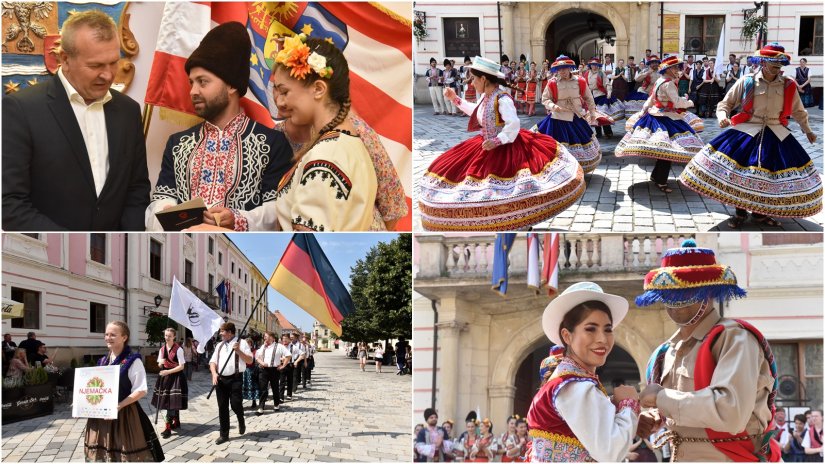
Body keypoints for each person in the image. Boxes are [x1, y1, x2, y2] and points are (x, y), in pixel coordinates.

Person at [2, 10, 150, 231]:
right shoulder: (21, 109)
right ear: (65, 60)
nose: (109, 75)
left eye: (113, 63)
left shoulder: (129, 111)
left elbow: (136, 190)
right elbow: (9, 204)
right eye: (96, 66)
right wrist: (71, 245)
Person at [636, 239, 780, 461]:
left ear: (710, 292)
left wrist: (661, 398)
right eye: (670, 293)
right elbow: (672, 409)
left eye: (687, 293)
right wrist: (654, 417)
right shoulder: (664, 352)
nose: (676, 303)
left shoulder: (734, 338)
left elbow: (730, 412)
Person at [146, 22, 291, 231]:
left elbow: (279, 208)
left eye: (203, 82)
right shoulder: (178, 144)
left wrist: (238, 219)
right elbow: (160, 199)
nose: (193, 91)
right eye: (191, 83)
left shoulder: (271, 143)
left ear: (231, 85)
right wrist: (173, 214)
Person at [419, 56, 585, 231]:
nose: (472, 83)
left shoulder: (502, 99)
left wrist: (497, 141)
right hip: (486, 143)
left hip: (506, 146)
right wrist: (455, 99)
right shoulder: (486, 96)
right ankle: (497, 223)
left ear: (483, 79)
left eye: (474, 79)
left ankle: (518, 221)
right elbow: (477, 113)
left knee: (514, 188)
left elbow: (513, 125)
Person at [680, 43, 822, 228]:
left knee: (768, 177)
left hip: (776, 133)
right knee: (738, 173)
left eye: (780, 63)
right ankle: (739, 212)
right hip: (747, 130)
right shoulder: (747, 81)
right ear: (763, 62)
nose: (778, 66)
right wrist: (723, 117)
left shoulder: (788, 85)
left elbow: (799, 111)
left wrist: (808, 130)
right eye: (773, 62)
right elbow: (726, 104)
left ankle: (760, 214)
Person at [269, 35, 380, 231]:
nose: (279, 102)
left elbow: (307, 237)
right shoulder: (346, 144)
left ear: (318, 89)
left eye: (285, 92)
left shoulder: (326, 156)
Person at [527, 281, 640, 462]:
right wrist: (628, 404)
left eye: (608, 329)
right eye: (590, 329)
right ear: (567, 336)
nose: (602, 339)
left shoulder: (569, 382)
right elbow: (611, 452)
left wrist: (629, 416)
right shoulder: (574, 385)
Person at [615, 55, 704, 193]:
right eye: (674, 68)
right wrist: (690, 102)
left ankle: (657, 176)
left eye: (677, 68)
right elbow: (676, 102)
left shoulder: (660, 81)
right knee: (668, 151)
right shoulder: (668, 83)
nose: (677, 70)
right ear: (668, 69)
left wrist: (644, 110)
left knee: (665, 150)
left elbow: (651, 98)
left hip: (656, 115)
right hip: (666, 117)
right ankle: (661, 180)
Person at [84, 322, 164, 461]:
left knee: (125, 453)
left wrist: (119, 406)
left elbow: (141, 390)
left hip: (125, 414)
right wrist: (83, 402)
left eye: (113, 335)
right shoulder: (102, 361)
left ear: (124, 337)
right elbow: (96, 388)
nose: (108, 337)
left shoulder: (133, 361)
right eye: (107, 334)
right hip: (101, 416)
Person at [531, 55, 602, 174]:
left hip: (576, 116)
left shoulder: (580, 81)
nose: (562, 71)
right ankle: (559, 171)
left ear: (570, 68)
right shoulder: (552, 82)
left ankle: (576, 170)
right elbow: (545, 99)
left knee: (580, 140)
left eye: (564, 68)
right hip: (557, 118)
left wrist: (593, 113)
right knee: (555, 145)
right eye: (559, 69)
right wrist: (553, 106)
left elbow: (589, 98)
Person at [209, 322, 253, 444]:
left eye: (222, 331)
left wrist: (238, 351)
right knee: (222, 407)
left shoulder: (242, 343)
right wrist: (214, 373)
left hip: (236, 379)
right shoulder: (219, 345)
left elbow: (250, 360)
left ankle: (240, 419)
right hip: (221, 380)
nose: (220, 334)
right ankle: (224, 435)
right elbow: (212, 362)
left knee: (235, 404)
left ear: (229, 332)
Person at [151, 328, 187, 439]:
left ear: (174, 337)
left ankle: (168, 427)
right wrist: (160, 364)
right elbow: (159, 364)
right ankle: (176, 421)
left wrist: (168, 371)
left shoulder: (178, 349)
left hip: (176, 377)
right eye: (166, 335)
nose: (167, 338)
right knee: (168, 400)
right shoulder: (162, 349)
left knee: (172, 401)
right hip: (165, 377)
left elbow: (181, 366)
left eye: (169, 336)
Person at [584, 57, 625, 139]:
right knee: (594, 114)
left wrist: (609, 92)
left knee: (603, 114)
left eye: (596, 65)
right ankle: (598, 132)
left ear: (598, 66)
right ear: (590, 65)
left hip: (600, 94)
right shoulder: (587, 73)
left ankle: (608, 132)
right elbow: (584, 84)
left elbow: (607, 83)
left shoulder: (601, 73)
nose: (594, 66)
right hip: (591, 96)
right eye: (592, 65)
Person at [255, 331, 289, 414]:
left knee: (275, 388)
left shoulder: (279, 346)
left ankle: (276, 404)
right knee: (263, 389)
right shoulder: (263, 346)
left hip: (274, 370)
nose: (264, 338)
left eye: (265, 336)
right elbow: (257, 357)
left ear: (271, 337)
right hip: (263, 370)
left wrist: (283, 365)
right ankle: (261, 407)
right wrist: (262, 363)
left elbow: (288, 355)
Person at [241, 337, 260, 409]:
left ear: (251, 344)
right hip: (243, 371)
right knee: (242, 386)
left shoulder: (254, 351)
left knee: (253, 386)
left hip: (251, 370)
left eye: (248, 343)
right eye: (246, 343)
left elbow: (256, 360)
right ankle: (241, 402)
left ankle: (254, 401)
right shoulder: (242, 351)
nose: (247, 344)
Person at [279, 333, 295, 401]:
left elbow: (302, 354)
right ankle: (281, 397)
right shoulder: (280, 346)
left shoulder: (293, 347)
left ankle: (289, 394)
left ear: (289, 339)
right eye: (283, 339)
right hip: (282, 365)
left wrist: (296, 361)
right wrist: (280, 359)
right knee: (282, 381)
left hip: (290, 365)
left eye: (286, 338)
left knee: (289, 380)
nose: (284, 340)